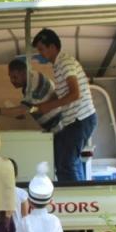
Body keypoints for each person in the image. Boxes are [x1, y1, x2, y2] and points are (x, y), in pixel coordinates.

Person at [31, 28, 98, 182]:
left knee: (66, 163)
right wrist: (47, 104)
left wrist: (49, 106)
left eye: (42, 49)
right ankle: (79, 197)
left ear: (53, 47)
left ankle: (74, 201)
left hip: (81, 119)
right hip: (76, 120)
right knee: (67, 160)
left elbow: (75, 94)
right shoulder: (58, 65)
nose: (40, 54)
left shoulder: (65, 62)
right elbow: (66, 94)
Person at [0, 57, 63, 135]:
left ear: (24, 73)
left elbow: (21, 111)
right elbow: (28, 110)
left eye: (15, 77)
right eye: (10, 77)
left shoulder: (32, 86)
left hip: (60, 128)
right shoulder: (33, 79)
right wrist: (18, 112)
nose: (12, 81)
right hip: (57, 128)